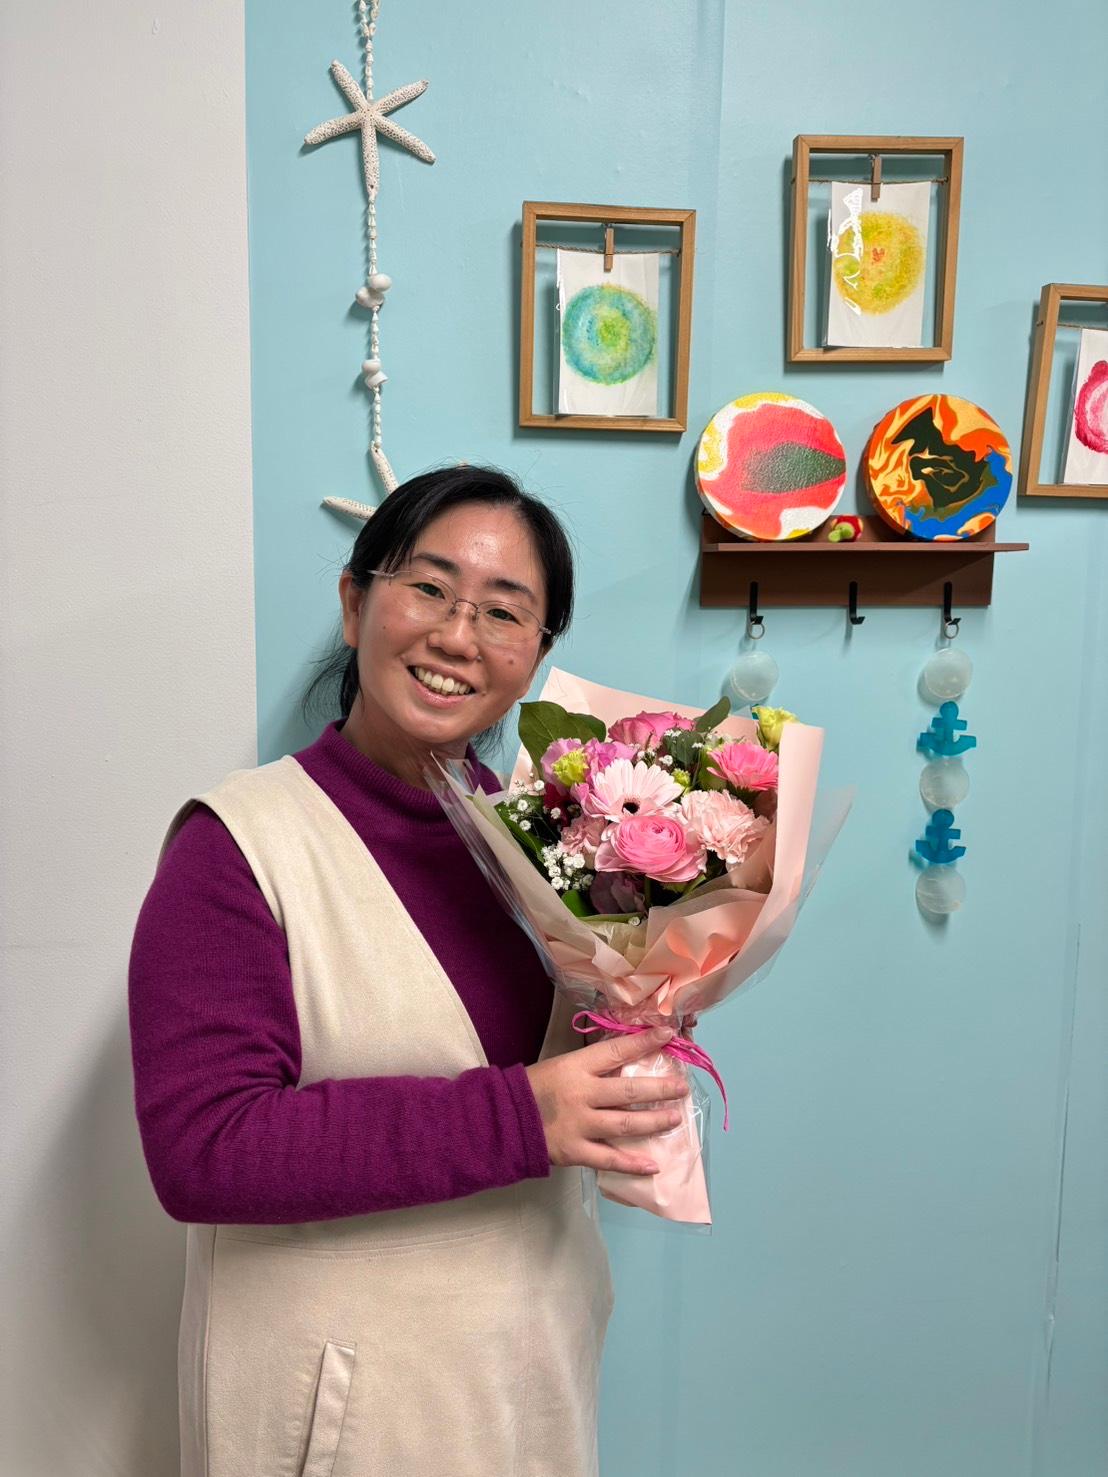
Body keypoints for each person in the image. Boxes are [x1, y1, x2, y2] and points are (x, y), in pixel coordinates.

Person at [128, 465, 690, 1477]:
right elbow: (202, 1147)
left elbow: (569, 1075)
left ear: (536, 656)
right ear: (355, 604)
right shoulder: (238, 846)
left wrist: (645, 1034)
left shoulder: (557, 844)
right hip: (339, 1407)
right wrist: (522, 1115)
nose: (458, 636)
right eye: (429, 588)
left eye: (503, 611)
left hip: (529, 1379)